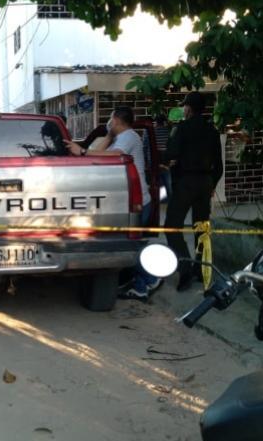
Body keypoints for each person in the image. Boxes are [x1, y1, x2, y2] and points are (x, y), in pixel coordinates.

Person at [67, 107, 160, 300]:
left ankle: (151, 278)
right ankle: (140, 283)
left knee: (130, 245)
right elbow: (100, 153)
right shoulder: (119, 137)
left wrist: (82, 151)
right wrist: (108, 136)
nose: (109, 122)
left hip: (137, 201)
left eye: (111, 120)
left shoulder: (129, 137)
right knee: (128, 243)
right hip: (125, 201)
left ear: (116, 119)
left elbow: (115, 155)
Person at [164, 92, 223, 292]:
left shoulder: (181, 128)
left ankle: (185, 268)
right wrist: (212, 184)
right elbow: (219, 165)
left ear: (188, 108)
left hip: (186, 181)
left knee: (172, 226)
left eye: (185, 107)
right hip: (206, 182)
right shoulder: (212, 131)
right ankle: (201, 270)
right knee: (201, 228)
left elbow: (171, 154)